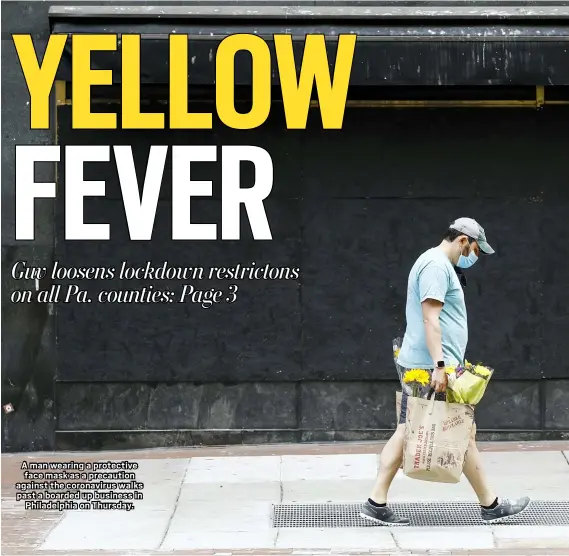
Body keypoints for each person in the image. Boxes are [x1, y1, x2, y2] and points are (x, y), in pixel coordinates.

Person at [360, 217, 530, 526]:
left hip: (434, 365)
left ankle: (378, 501)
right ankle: (488, 506)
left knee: (440, 430)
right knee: (428, 430)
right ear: (463, 241)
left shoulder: (438, 264)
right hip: (430, 368)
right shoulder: (437, 267)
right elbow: (430, 319)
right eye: (476, 250)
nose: (475, 257)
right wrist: (440, 365)